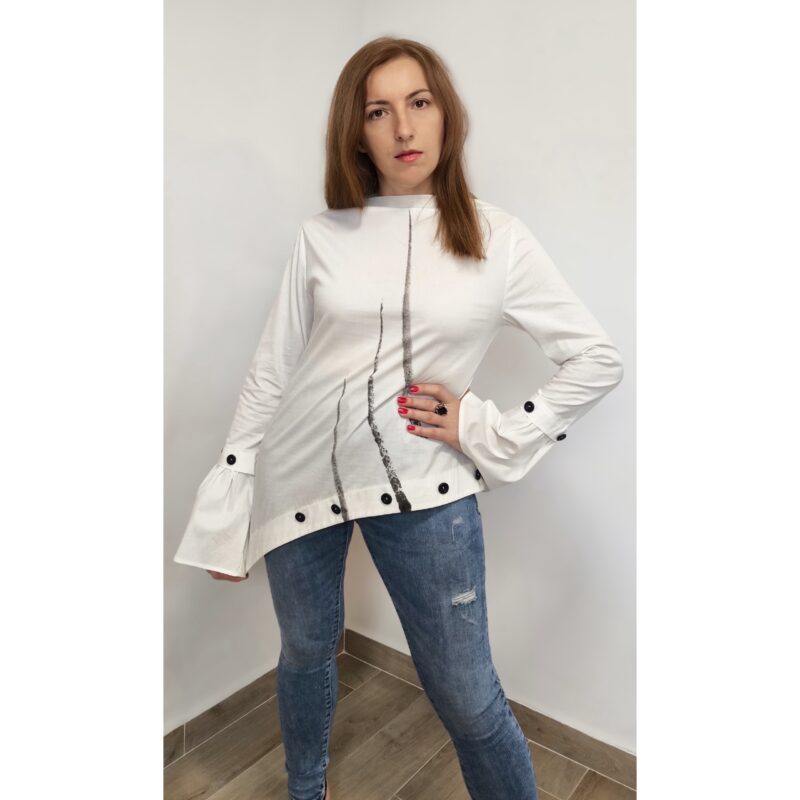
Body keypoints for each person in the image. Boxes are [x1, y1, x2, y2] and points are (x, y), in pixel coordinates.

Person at [173, 36, 624, 800]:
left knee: (468, 697)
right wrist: (232, 495)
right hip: (298, 476)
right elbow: (274, 368)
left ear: (447, 114)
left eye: (419, 102)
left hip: (427, 488)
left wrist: (482, 427)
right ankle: (306, 790)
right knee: (306, 652)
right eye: (378, 111)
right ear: (356, 131)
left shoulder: (498, 238)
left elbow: (595, 359)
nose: (403, 128)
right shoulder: (322, 237)